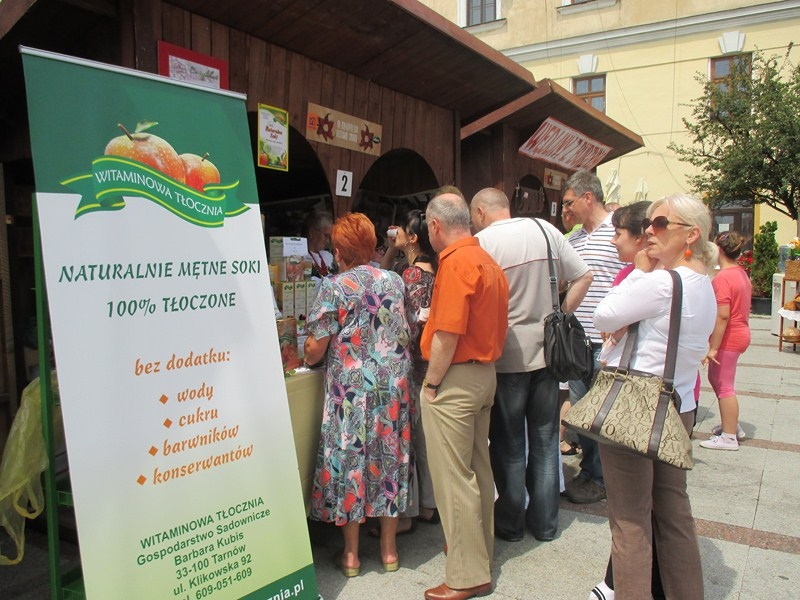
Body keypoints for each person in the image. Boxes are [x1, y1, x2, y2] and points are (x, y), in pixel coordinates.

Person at [592, 194, 717, 599]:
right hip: (679, 405)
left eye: (661, 223)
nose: (649, 230)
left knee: (630, 521)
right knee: (673, 512)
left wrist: (639, 271)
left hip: (637, 405)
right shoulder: (705, 285)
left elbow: (603, 314)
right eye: (649, 222)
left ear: (690, 235)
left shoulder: (662, 282)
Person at [469, 187, 592, 543]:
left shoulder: (483, 243)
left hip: (507, 357)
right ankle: (545, 524)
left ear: (480, 213)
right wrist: (558, 316)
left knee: (508, 446)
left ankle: (510, 525)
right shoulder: (545, 229)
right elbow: (585, 275)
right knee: (545, 440)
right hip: (549, 355)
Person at [303, 212, 413, 577]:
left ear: (338, 251)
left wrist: (308, 349)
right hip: (391, 389)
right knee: (389, 461)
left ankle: (351, 555)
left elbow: (315, 350)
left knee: (351, 463)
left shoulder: (333, 287)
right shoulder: (394, 281)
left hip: (350, 392)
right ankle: (389, 551)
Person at [420, 188, 509, 600]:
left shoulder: (456, 263)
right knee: (477, 470)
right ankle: (476, 553)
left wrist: (432, 383)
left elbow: (447, 333)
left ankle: (466, 574)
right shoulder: (486, 260)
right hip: (484, 374)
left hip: (456, 379)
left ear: (435, 226)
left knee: (454, 478)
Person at [590, 200, 666, 600]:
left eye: (619, 233)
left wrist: (636, 274)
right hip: (662, 394)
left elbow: (607, 317)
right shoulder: (674, 279)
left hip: (638, 394)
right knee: (651, 505)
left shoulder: (649, 279)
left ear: (641, 239)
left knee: (630, 511)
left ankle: (618, 583)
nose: (614, 240)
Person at [561, 170, 627, 504]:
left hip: (609, 342)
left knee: (604, 413)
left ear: (588, 197)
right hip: (577, 340)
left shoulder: (619, 231)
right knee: (583, 411)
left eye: (569, 202)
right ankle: (590, 471)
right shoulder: (573, 240)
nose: (566, 209)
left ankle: (604, 478)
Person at [373, 209, 440, 534]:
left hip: (411, 364)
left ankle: (411, 511)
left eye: (400, 229)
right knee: (426, 438)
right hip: (431, 361)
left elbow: (405, 325)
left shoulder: (410, 275)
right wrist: (391, 248)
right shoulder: (432, 268)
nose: (394, 231)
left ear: (412, 237)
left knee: (412, 439)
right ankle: (428, 504)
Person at [700, 231, 752, 450]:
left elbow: (723, 315)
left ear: (719, 249)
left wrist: (713, 347)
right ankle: (731, 424)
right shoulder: (740, 273)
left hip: (730, 336)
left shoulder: (723, 278)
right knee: (716, 379)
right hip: (738, 333)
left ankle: (729, 437)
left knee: (724, 385)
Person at [302, 212, 336, 278]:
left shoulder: (327, 256)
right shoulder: (299, 257)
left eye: (330, 237)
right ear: (311, 232)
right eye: (326, 235)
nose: (328, 241)